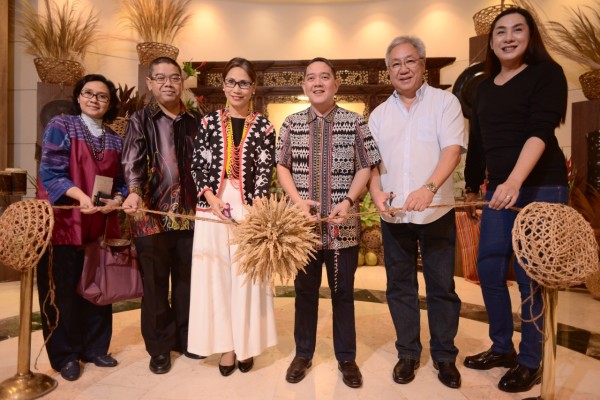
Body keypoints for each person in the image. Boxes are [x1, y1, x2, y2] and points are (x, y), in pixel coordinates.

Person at [463, 7, 569, 393]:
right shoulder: (485, 87)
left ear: (530, 36)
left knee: (530, 276)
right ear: (491, 42)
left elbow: (541, 130)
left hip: (541, 189)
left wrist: (514, 181)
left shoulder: (547, 75)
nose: (508, 38)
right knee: (489, 268)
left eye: (517, 30)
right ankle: (501, 347)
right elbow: (479, 143)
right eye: (500, 32)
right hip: (499, 191)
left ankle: (531, 361)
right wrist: (476, 187)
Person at [276, 57, 381, 389]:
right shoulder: (291, 123)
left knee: (343, 293)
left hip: (343, 228)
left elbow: (367, 166)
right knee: (304, 293)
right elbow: (283, 166)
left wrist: (349, 200)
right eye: (311, 78)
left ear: (336, 84)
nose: (317, 82)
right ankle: (303, 354)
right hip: (303, 231)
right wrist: (296, 200)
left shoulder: (355, 121)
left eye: (325, 77)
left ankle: (346, 358)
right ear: (304, 86)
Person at [368, 36, 465, 389]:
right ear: (388, 70)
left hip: (435, 212)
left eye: (410, 61)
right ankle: (407, 353)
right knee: (399, 287)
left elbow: (452, 151)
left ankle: (444, 356)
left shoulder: (445, 103)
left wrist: (429, 188)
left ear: (423, 65)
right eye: (396, 63)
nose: (403, 69)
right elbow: (372, 164)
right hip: (394, 216)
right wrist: (376, 194)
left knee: (442, 286)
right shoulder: (379, 115)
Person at [188, 57, 278, 376]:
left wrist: (255, 211)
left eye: (243, 83)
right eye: (230, 82)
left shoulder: (265, 127)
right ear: (223, 85)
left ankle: (246, 344)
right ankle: (226, 347)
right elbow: (197, 166)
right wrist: (212, 198)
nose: (236, 89)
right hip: (212, 206)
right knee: (215, 277)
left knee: (246, 277)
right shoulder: (208, 123)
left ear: (253, 87)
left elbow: (265, 172)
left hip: (249, 207)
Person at [36, 74, 126, 381]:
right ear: (78, 97)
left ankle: (95, 347)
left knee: (98, 285)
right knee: (62, 291)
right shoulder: (62, 126)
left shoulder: (115, 138)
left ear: (110, 103)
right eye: (89, 93)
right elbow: (50, 171)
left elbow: (123, 182)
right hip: (64, 223)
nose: (95, 100)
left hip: (98, 224)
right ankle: (66, 354)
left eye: (102, 96)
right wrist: (81, 197)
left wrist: (117, 200)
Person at [121, 57, 202, 374]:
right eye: (161, 78)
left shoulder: (196, 120)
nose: (168, 83)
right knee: (154, 285)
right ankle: (159, 348)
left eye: (174, 78)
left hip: (191, 216)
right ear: (149, 83)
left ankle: (185, 339)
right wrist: (135, 192)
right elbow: (132, 162)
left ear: (182, 82)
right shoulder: (139, 120)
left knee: (186, 282)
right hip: (149, 216)